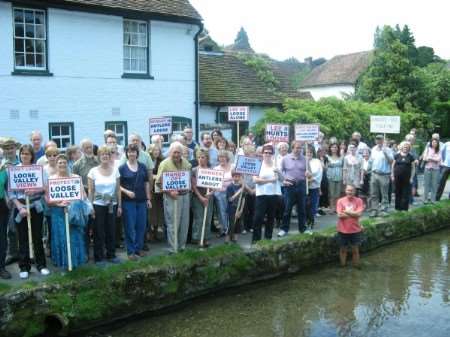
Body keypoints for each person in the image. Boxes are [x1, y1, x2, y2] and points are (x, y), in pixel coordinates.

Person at [9, 145, 49, 279]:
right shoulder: (14, 170)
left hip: (35, 206)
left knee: (37, 237)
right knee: (23, 237)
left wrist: (35, 190)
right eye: (22, 153)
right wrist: (19, 206)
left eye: (27, 154)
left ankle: (41, 265)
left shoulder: (38, 170)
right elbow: (11, 192)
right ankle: (24, 266)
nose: (24, 156)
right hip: (21, 207)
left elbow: (46, 186)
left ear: (32, 156)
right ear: (20, 155)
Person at [46, 155, 87, 269]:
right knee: (61, 236)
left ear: (67, 164)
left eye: (64, 162)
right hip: (58, 213)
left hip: (73, 213)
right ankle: (63, 261)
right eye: (60, 163)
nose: (62, 164)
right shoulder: (51, 179)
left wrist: (73, 202)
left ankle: (75, 260)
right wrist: (58, 203)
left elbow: (83, 195)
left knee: (74, 236)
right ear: (56, 164)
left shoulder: (75, 177)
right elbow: (48, 200)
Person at [88, 146, 122, 265]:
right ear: (99, 156)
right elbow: (91, 191)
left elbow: (118, 190)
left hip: (112, 205)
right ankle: (99, 257)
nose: (105, 156)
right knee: (99, 231)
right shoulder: (93, 171)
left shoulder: (115, 170)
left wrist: (120, 206)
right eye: (102, 154)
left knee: (111, 230)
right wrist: (90, 207)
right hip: (98, 205)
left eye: (107, 154)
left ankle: (111, 255)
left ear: (110, 156)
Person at [156, 142, 192, 252]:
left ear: (182, 153)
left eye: (178, 152)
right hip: (171, 197)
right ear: (170, 152)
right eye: (174, 152)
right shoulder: (164, 164)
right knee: (172, 223)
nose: (176, 154)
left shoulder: (186, 163)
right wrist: (170, 192)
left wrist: (187, 188)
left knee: (184, 223)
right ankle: (173, 248)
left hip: (184, 196)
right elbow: (159, 182)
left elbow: (188, 179)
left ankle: (182, 246)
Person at [119, 144, 151, 260]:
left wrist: (148, 198)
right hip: (128, 202)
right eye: (129, 152)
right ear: (126, 153)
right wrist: (127, 192)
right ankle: (131, 251)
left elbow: (146, 183)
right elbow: (118, 186)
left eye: (134, 152)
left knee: (141, 226)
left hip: (142, 201)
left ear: (137, 153)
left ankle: (138, 249)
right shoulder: (122, 168)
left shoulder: (142, 166)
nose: (132, 154)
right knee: (129, 227)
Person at [252, 144, 283, 243]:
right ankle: (256, 239)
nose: (267, 154)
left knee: (271, 217)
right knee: (258, 217)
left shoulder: (276, 165)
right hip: (261, 194)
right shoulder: (258, 164)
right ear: (262, 154)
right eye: (266, 152)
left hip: (273, 194)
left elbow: (282, 179)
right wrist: (270, 180)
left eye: (270, 153)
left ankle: (268, 238)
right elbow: (256, 180)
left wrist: (279, 172)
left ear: (272, 154)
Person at [278, 140, 309, 237]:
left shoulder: (305, 159)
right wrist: (284, 181)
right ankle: (284, 229)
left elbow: (310, 173)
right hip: (289, 186)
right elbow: (280, 172)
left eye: (300, 148)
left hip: (301, 185)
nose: (299, 149)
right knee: (287, 209)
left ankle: (303, 229)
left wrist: (309, 174)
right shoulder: (285, 159)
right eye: (297, 147)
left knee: (302, 209)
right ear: (292, 148)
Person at [336, 185, 365, 268]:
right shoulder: (340, 201)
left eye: (352, 190)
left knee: (355, 250)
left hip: (355, 230)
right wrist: (354, 214)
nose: (350, 192)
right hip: (342, 230)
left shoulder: (359, 201)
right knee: (342, 250)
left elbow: (359, 214)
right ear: (345, 191)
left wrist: (346, 211)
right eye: (348, 190)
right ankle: (343, 265)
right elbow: (340, 215)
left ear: (354, 191)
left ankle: (356, 266)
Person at [191, 149, 214, 246]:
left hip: (209, 197)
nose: (201, 159)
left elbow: (215, 185)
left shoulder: (211, 171)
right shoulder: (194, 170)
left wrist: (210, 194)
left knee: (208, 218)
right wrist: (201, 197)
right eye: (199, 157)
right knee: (199, 218)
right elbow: (193, 186)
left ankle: (206, 237)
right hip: (197, 197)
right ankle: (197, 237)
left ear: (207, 159)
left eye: (203, 157)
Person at [368, 135, 394, 217]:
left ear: (383, 140)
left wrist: (385, 153)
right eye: (377, 139)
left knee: (384, 194)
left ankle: (384, 209)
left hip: (384, 175)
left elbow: (391, 161)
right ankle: (374, 210)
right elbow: (371, 161)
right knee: (373, 193)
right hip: (374, 174)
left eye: (380, 139)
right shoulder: (373, 149)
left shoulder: (388, 150)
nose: (378, 141)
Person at [213, 150, 233, 237]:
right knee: (221, 212)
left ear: (227, 158)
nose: (222, 159)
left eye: (223, 157)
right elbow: (214, 182)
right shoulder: (215, 169)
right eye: (220, 157)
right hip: (219, 193)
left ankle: (231, 229)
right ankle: (223, 229)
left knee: (231, 211)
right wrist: (227, 180)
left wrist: (223, 180)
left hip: (231, 193)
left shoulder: (233, 167)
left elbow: (236, 178)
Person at [392, 141, 416, 211]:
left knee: (405, 193)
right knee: (397, 192)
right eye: (404, 146)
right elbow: (392, 166)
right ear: (401, 147)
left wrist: (411, 178)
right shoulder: (396, 155)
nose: (405, 148)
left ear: (409, 148)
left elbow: (413, 168)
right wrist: (392, 175)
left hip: (407, 178)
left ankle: (404, 208)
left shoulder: (411, 157)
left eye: (407, 147)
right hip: (397, 178)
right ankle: (397, 208)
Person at [148, 144, 165, 241]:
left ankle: (158, 230)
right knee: (151, 211)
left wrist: (156, 177)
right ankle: (151, 232)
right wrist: (154, 177)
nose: (156, 152)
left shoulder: (162, 161)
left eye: (158, 150)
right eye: (154, 150)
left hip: (159, 189)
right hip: (150, 189)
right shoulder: (148, 160)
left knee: (159, 210)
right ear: (150, 151)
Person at [305, 146, 323, 232]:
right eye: (307, 152)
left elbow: (319, 173)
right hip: (304, 187)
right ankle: (305, 220)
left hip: (314, 186)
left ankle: (311, 220)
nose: (309, 154)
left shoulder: (317, 162)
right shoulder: (302, 161)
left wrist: (312, 179)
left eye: (310, 152)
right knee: (304, 205)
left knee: (313, 204)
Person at [226, 171, 246, 243]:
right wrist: (239, 191)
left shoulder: (242, 187)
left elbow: (243, 199)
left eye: (238, 176)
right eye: (235, 176)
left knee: (237, 224)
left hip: (239, 208)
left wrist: (241, 210)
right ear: (232, 177)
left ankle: (235, 238)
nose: (237, 178)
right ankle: (227, 238)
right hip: (231, 208)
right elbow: (230, 199)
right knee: (231, 224)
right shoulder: (230, 187)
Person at [422, 138, 442, 203]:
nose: (434, 143)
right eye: (433, 142)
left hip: (436, 169)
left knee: (434, 185)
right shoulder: (427, 149)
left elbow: (439, 159)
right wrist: (433, 159)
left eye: (436, 142)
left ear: (437, 143)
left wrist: (430, 158)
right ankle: (425, 199)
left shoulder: (439, 150)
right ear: (431, 143)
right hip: (427, 168)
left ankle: (433, 200)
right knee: (426, 185)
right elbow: (425, 158)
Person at [327, 142, 343, 213]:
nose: (334, 148)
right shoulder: (327, 157)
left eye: (336, 147)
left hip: (339, 176)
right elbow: (325, 166)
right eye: (333, 147)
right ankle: (331, 208)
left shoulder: (341, 157)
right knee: (331, 194)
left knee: (337, 194)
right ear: (330, 148)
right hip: (331, 177)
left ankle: (337, 208)